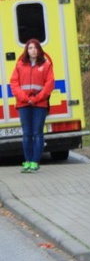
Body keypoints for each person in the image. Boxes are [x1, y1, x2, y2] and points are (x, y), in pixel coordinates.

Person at [10, 38, 54, 173]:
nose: (33, 50)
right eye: (30, 48)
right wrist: (25, 98)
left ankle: (35, 161)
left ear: (39, 50)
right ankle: (28, 161)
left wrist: (36, 99)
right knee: (27, 134)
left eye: (35, 48)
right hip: (24, 104)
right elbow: (14, 84)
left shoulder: (46, 65)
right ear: (26, 50)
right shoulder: (19, 65)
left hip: (39, 104)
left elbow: (49, 84)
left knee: (37, 133)